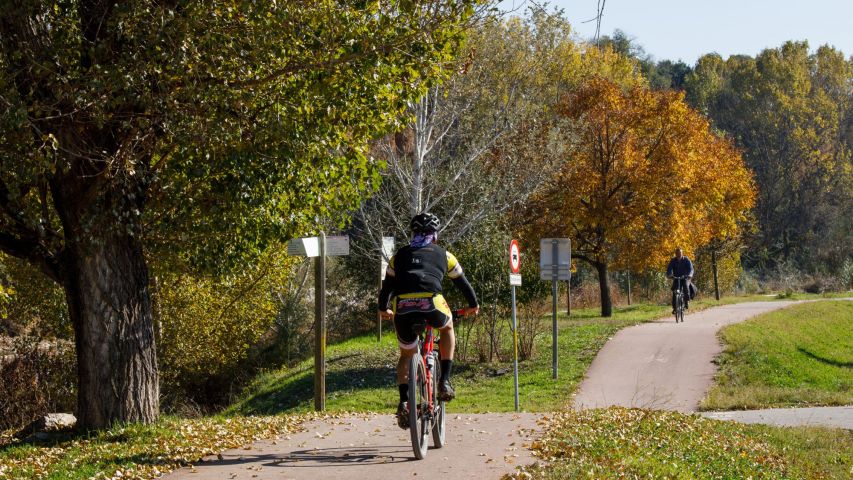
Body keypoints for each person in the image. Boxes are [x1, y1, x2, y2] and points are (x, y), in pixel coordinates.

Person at [378, 212, 479, 429]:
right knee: (447, 328)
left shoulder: (398, 256)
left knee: (406, 355)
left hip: (403, 307)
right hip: (431, 304)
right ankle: (444, 381)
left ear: (412, 233)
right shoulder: (445, 255)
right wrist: (473, 305)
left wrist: (383, 308)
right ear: (435, 234)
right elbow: (463, 284)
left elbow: (387, 287)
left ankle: (404, 402)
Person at [666, 248, 694, 313]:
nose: (678, 255)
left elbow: (691, 269)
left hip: (685, 277)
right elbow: (669, 269)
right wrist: (669, 275)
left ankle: (687, 301)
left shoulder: (686, 260)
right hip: (676, 277)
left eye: (680, 253)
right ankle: (675, 308)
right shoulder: (673, 260)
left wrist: (690, 275)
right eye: (677, 253)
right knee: (675, 292)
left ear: (682, 253)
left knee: (685, 286)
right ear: (675, 254)